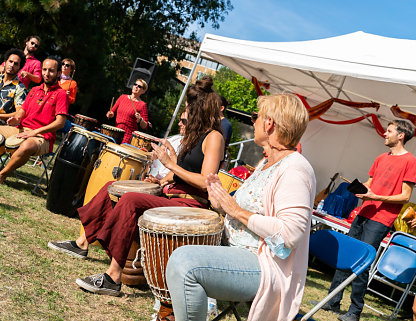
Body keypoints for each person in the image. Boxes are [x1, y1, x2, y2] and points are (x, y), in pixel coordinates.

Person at [48, 76, 225, 300]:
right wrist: (162, 180)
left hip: (189, 203)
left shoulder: (214, 138)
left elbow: (204, 181)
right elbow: (179, 172)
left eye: (189, 108)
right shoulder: (193, 136)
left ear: (200, 109)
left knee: (131, 201)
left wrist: (171, 164)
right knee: (114, 186)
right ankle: (82, 243)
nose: (186, 113)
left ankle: (113, 277)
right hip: (171, 194)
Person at [166, 94, 316, 321]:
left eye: (256, 117)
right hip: (237, 250)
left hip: (264, 265)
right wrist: (221, 202)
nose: (253, 121)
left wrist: (236, 210)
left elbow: (290, 234)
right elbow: (247, 208)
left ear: (269, 124)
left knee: (185, 264)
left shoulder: (295, 169)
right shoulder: (267, 163)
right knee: (177, 239)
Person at [320, 119, 416, 321]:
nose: (384, 134)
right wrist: (359, 189)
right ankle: (332, 302)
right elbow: (370, 183)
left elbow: (405, 196)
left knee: (361, 262)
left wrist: (375, 197)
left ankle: (355, 312)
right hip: (364, 213)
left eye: (389, 131)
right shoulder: (381, 157)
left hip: (381, 219)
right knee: (345, 255)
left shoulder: (410, 161)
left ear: (401, 135)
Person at [0, 56, 69, 185]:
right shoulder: (34, 90)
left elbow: (60, 122)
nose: (47, 73)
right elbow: (22, 111)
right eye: (44, 69)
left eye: (51, 71)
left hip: (42, 136)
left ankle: (2, 175)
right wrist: (16, 118)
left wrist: (34, 132)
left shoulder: (61, 94)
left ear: (58, 73)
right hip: (21, 129)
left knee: (27, 145)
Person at [106, 79, 149, 144]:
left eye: (139, 86)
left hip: (127, 137)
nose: (136, 87)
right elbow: (112, 112)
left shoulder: (142, 105)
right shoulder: (122, 97)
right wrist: (110, 114)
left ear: (143, 91)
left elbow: (145, 126)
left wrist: (140, 119)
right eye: (135, 84)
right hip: (115, 132)